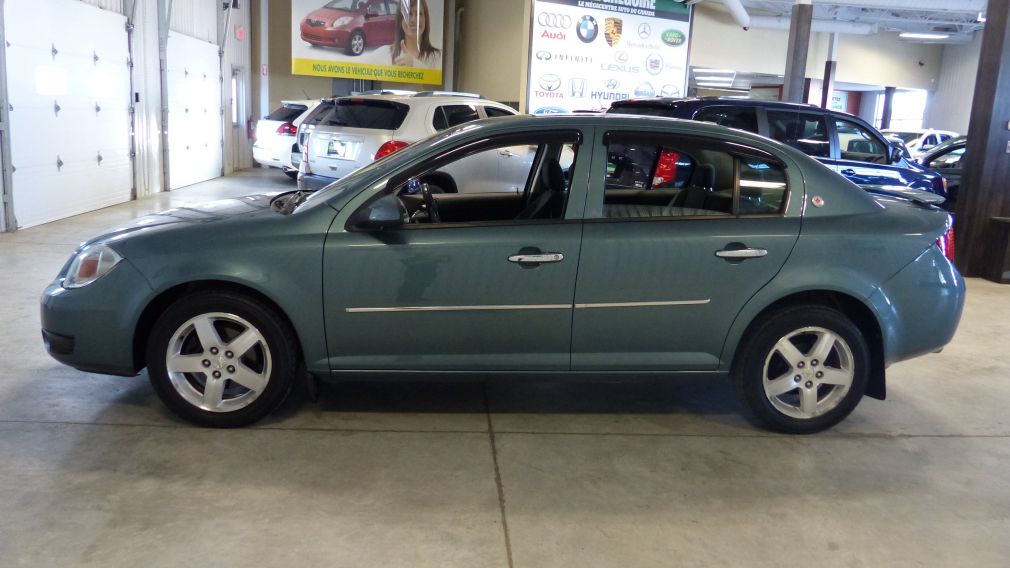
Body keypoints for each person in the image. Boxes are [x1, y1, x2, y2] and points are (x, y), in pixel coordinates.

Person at [388, 0, 441, 68]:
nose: (413, 19)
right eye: (408, 14)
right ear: (400, 20)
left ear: (426, 19)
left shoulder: (439, 57)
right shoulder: (385, 54)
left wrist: (414, 64)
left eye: (419, 14)